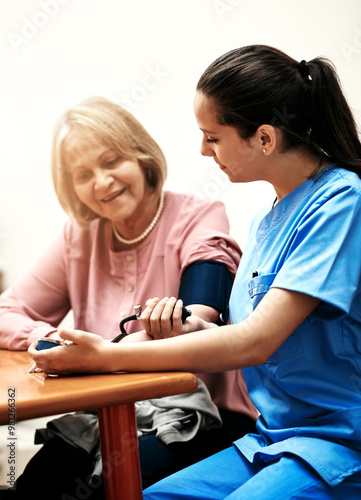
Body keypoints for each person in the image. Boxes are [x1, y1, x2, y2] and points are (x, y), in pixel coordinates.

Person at [29, 44, 361, 499]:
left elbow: (257, 341)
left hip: (338, 443)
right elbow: (238, 327)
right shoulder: (269, 220)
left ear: (265, 138)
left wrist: (105, 356)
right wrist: (191, 326)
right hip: (273, 440)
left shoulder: (342, 203)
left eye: (213, 136)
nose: (203, 150)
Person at [0, 97, 258, 499]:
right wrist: (55, 340)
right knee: (32, 487)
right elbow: (7, 311)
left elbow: (200, 312)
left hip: (201, 414)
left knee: (111, 490)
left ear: (141, 157)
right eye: (83, 174)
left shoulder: (199, 215)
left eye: (111, 161)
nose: (101, 182)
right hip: (104, 413)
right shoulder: (78, 237)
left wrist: (103, 352)